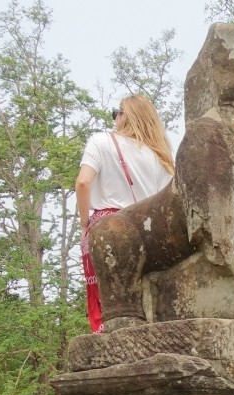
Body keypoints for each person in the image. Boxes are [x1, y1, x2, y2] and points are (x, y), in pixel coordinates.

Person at [75, 95, 175, 332]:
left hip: (108, 226)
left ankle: (105, 339)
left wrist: (85, 224)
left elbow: (83, 183)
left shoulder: (102, 141)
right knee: (145, 299)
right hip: (147, 231)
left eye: (116, 113)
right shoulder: (160, 156)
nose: (114, 119)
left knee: (110, 303)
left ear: (124, 115)